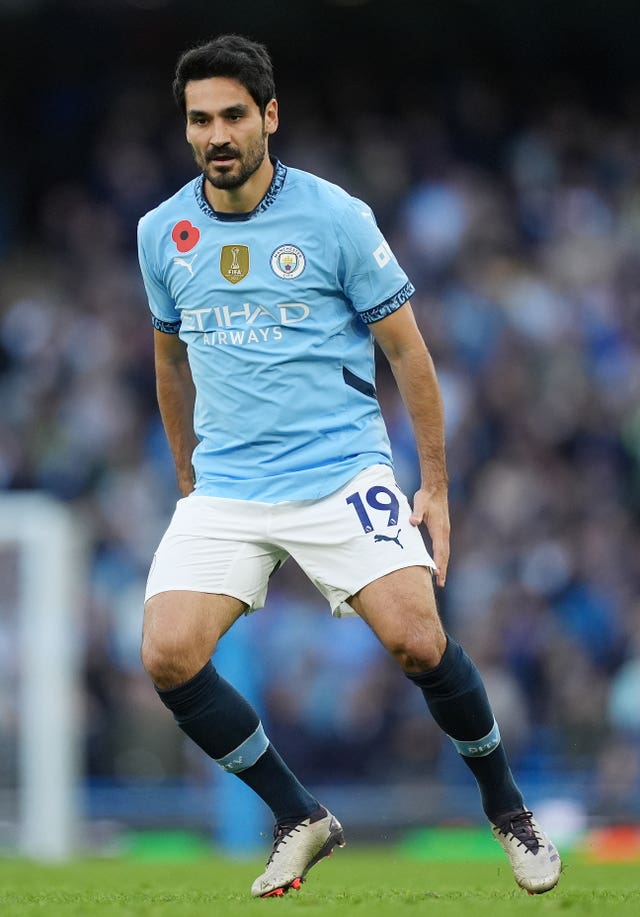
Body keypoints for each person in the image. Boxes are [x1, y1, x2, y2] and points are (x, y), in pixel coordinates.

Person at [137, 34, 561, 898]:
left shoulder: (335, 217)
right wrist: (189, 481)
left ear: (269, 117)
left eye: (231, 116)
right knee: (166, 653)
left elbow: (408, 355)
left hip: (339, 472)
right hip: (229, 487)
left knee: (417, 637)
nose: (215, 135)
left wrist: (433, 485)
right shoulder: (161, 232)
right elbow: (169, 360)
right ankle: (299, 816)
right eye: (198, 120)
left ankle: (510, 812)